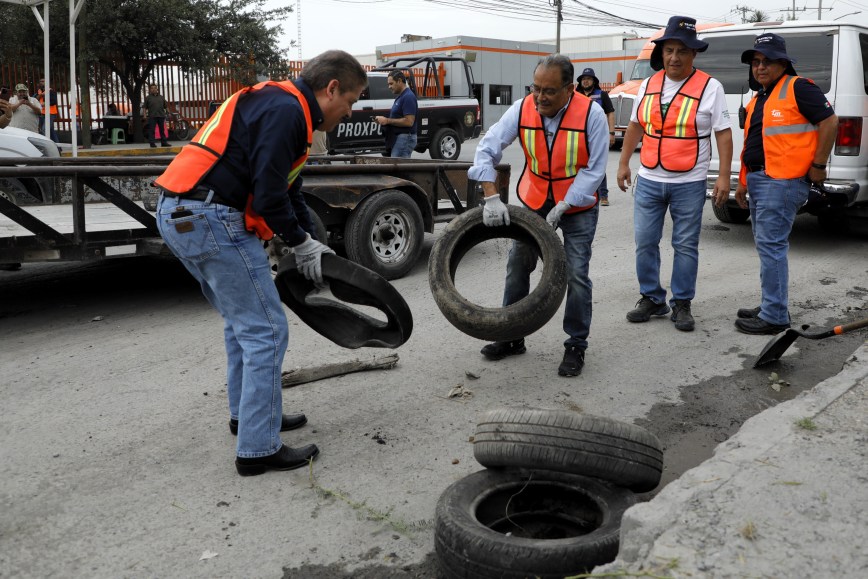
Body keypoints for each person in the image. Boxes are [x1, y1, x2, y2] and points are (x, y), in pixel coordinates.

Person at [153, 50, 368, 476]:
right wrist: (300, 244)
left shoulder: (283, 105)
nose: (350, 112)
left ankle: (250, 417)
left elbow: (288, 189)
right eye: (351, 100)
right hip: (210, 218)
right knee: (266, 331)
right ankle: (257, 449)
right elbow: (269, 198)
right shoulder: (287, 111)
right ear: (332, 89)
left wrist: (310, 242)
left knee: (243, 325)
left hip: (182, 214)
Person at [469, 54, 607, 377]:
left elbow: (595, 169)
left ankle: (576, 344)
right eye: (535, 88)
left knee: (576, 273)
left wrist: (566, 203)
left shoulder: (592, 114)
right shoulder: (522, 109)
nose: (540, 97)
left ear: (569, 89)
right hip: (536, 198)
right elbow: (486, 148)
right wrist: (491, 196)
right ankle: (512, 335)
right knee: (518, 263)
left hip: (577, 205)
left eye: (549, 91)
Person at [616, 16, 733, 332]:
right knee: (644, 241)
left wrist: (723, 176)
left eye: (682, 51)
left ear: (694, 53)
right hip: (649, 179)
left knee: (685, 245)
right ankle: (652, 298)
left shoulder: (710, 87)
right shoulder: (648, 85)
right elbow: (636, 125)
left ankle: (681, 303)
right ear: (662, 52)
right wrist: (624, 163)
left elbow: (723, 133)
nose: (674, 57)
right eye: (669, 50)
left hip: (689, 182)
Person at [722, 33, 838, 335]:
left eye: (767, 61)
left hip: (783, 181)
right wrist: (743, 182)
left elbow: (830, 121)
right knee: (766, 246)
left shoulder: (799, 88)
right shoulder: (760, 97)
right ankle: (771, 304)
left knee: (771, 247)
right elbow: (754, 143)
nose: (760, 67)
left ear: (783, 63)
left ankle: (774, 316)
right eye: (756, 62)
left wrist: (819, 166)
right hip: (760, 179)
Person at [576, 68, 615, 206]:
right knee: (579, 165)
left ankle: (603, 195)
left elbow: (610, 113)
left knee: (597, 164)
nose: (586, 81)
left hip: (597, 136)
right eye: (583, 79)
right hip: (579, 136)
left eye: (588, 79)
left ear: (594, 81)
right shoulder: (575, 95)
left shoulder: (602, 95)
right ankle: (581, 193)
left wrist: (611, 133)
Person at [374, 70, 417, 158]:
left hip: (405, 138)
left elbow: (409, 122)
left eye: (391, 83)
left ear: (399, 81)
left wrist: (387, 121)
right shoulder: (401, 97)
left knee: (398, 165)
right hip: (401, 138)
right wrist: (384, 121)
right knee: (397, 165)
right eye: (388, 84)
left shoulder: (408, 97)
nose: (389, 87)